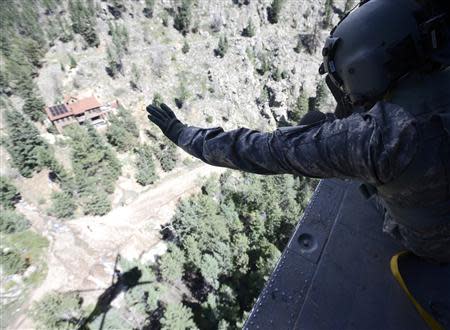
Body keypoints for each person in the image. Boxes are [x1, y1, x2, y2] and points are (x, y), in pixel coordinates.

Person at [147, 0, 450, 263]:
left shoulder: (375, 139)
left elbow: (258, 150)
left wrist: (181, 133)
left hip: (437, 245)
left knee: (369, 192)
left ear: (363, 68)